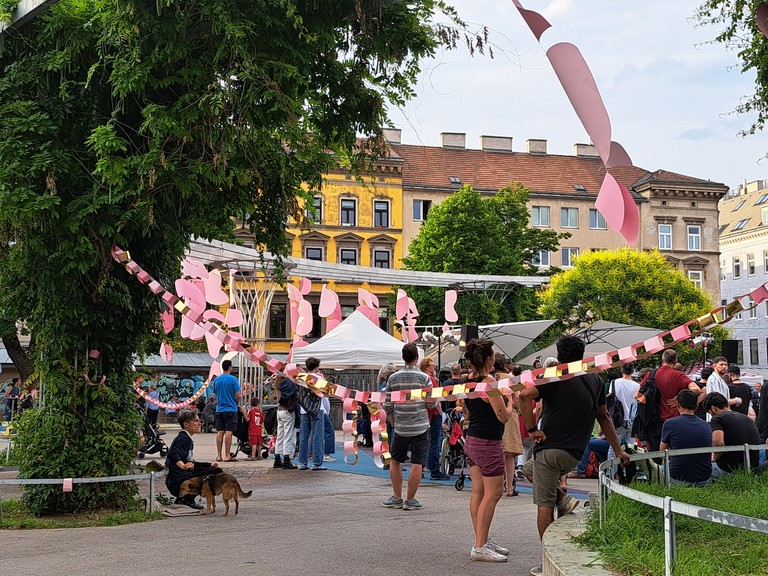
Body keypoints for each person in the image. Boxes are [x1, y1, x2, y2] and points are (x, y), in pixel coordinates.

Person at [519, 335, 629, 576]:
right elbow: (604, 416)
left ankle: (546, 561)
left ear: (559, 355)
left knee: (543, 506)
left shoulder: (555, 375)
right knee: (527, 470)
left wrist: (531, 429)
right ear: (582, 354)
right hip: (575, 454)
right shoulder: (596, 379)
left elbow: (523, 396)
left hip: (549, 450)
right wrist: (618, 450)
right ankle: (563, 498)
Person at [463, 339, 515, 563]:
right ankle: (480, 546)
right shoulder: (489, 383)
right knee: (493, 494)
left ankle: (481, 539)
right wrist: (510, 399)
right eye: (493, 354)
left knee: (478, 493)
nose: (495, 357)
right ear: (487, 359)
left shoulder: (468, 380)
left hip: (472, 440)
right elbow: (503, 416)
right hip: (488, 442)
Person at [382, 343, 435, 511]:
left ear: (403, 357)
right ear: (417, 358)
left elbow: (387, 404)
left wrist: (393, 421)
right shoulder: (424, 378)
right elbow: (432, 402)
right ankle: (410, 499)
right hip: (420, 425)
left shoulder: (393, 378)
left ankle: (397, 497)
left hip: (401, 426)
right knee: (417, 462)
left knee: (396, 461)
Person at [638, 348, 701, 452]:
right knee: (675, 453)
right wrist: (678, 397)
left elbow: (638, 395)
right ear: (675, 362)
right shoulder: (679, 375)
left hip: (653, 420)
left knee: (656, 455)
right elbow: (696, 389)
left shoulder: (651, 374)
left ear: (662, 360)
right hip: (674, 420)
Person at [164, 410, 221, 509]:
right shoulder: (184, 439)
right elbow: (173, 453)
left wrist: (208, 465)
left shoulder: (186, 437)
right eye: (195, 421)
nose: (199, 423)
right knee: (217, 473)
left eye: (199, 421)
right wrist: (182, 465)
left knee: (213, 470)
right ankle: (187, 498)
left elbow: (191, 462)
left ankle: (185, 498)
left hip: (177, 480)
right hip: (178, 481)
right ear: (186, 424)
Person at [659, 389, 712, 486]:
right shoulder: (707, 425)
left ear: (678, 405)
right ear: (696, 406)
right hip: (704, 477)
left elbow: (662, 453)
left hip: (678, 477)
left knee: (662, 466)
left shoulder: (670, 423)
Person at [701, 392, 761, 476]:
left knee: (701, 468)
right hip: (752, 468)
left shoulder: (717, 419)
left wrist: (715, 457)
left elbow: (718, 444)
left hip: (730, 470)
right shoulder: (746, 418)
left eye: (710, 413)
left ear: (713, 408)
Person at [495, 357, 522, 497]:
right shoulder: (511, 379)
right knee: (508, 454)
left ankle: (496, 485)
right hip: (510, 415)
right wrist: (520, 410)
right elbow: (518, 397)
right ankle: (509, 487)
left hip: (494, 414)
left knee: (496, 451)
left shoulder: (490, 378)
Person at [421, 357, 449, 481]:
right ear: (427, 367)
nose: (434, 367)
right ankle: (434, 469)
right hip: (434, 413)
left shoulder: (422, 378)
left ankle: (420, 467)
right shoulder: (431, 379)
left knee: (424, 442)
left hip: (425, 414)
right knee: (435, 441)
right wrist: (440, 412)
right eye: (432, 365)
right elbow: (435, 398)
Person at [298, 357, 326, 471]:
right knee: (317, 436)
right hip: (317, 409)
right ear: (316, 367)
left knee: (304, 436)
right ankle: (317, 463)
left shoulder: (301, 378)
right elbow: (324, 392)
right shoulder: (319, 378)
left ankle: (302, 462)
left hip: (304, 409)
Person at [214, 359, 242, 462]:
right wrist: (236, 402)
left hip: (219, 409)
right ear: (229, 367)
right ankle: (227, 455)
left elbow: (215, 395)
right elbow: (238, 395)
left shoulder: (217, 380)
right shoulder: (233, 379)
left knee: (220, 431)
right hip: (231, 408)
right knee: (229, 431)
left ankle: (218, 455)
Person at [274, 374, 299, 469]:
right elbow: (296, 395)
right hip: (288, 410)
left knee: (280, 435)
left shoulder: (278, 383)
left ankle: (277, 459)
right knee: (288, 435)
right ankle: (286, 459)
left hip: (279, 410)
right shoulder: (290, 383)